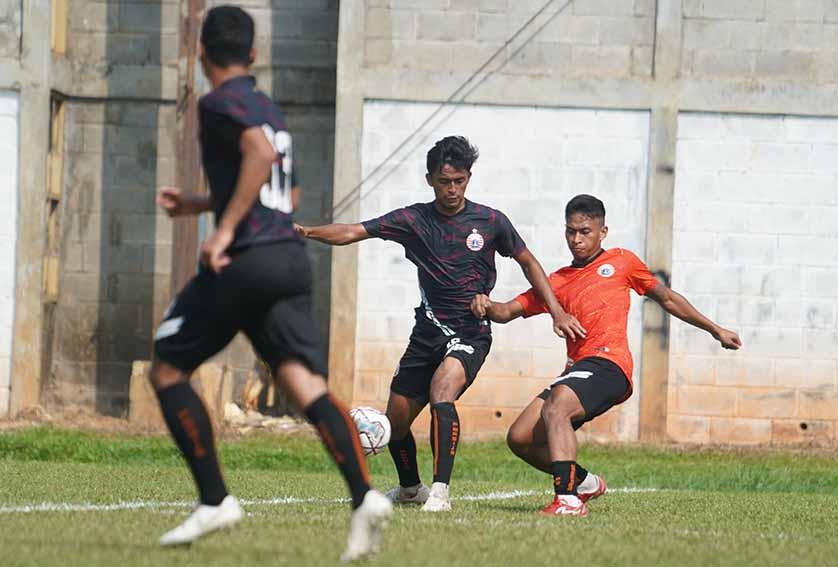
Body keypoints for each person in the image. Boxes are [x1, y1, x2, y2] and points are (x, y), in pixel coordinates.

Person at [150, 6, 390, 560]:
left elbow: (255, 157)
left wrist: (223, 228)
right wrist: (201, 203)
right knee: (301, 381)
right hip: (289, 257)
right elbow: (287, 194)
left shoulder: (217, 104)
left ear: (201, 54)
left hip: (249, 259)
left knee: (167, 367)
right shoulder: (271, 110)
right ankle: (364, 495)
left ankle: (214, 499)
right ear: (253, 55)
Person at [296, 136, 584, 512]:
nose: (453, 189)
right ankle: (411, 488)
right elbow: (354, 231)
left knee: (442, 389)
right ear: (430, 179)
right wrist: (307, 233)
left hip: (470, 333)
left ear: (468, 178)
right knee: (396, 421)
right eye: (445, 181)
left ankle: (441, 491)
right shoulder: (413, 220)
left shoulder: (491, 221)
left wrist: (557, 311)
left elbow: (528, 263)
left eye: (460, 181)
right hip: (426, 333)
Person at [471, 194, 742, 516]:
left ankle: (567, 499)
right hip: (578, 369)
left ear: (603, 231)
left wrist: (714, 329)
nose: (577, 239)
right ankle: (584, 483)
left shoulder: (622, 262)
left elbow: (667, 298)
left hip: (610, 365)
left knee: (556, 409)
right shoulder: (555, 282)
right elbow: (507, 312)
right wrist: (485, 305)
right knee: (520, 438)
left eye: (585, 231)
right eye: (571, 231)